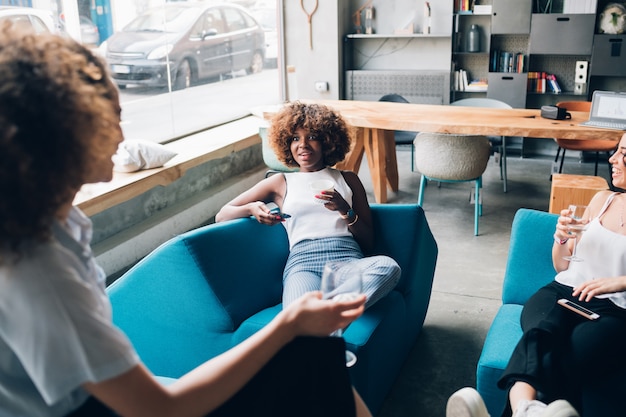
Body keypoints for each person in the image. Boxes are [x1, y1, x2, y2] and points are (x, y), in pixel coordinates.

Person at [0, 27, 374, 417]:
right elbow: (160, 409)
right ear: (62, 136)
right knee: (315, 364)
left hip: (110, 398)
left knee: (318, 364)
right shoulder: (40, 271)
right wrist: (287, 326)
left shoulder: (56, 220)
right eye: (108, 120)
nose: (119, 137)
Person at [446, 134, 626, 417]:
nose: (613, 159)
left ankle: (520, 411)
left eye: (623, 154)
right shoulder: (602, 199)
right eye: (616, 151)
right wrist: (562, 239)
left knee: (570, 354)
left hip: (614, 308)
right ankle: (527, 410)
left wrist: (620, 282)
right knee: (540, 333)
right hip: (562, 291)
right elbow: (563, 267)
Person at [216, 101, 401, 308]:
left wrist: (344, 209)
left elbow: (368, 242)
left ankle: (323, 313)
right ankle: (334, 311)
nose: (302, 144)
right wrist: (251, 208)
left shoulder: (348, 179)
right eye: (295, 138)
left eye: (312, 137)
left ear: (328, 142)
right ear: (287, 143)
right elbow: (222, 215)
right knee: (297, 312)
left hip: (348, 261)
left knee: (388, 267)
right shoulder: (280, 182)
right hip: (303, 265)